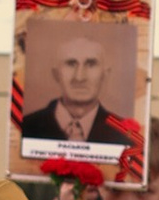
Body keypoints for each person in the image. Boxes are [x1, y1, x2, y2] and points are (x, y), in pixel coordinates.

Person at [18, 31, 143, 160]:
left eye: (91, 64)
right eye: (71, 64)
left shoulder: (123, 135)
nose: (79, 77)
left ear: (105, 74)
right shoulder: (26, 127)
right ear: (56, 74)